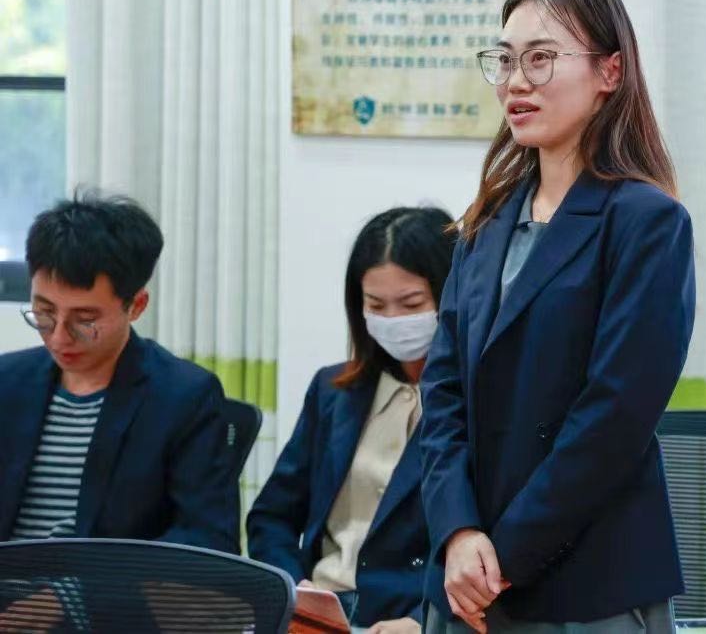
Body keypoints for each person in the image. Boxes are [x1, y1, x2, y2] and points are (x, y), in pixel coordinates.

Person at [419, 0, 696, 633]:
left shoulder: (647, 222)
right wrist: (458, 531)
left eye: (541, 58)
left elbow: (612, 418)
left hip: (585, 581)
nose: (516, 81)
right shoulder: (484, 224)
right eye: (505, 60)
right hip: (465, 576)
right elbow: (442, 392)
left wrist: (502, 557)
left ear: (609, 71)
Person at [249, 206, 456, 633]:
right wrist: (295, 590)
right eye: (376, 305)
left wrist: (424, 622)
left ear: (450, 295)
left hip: (408, 620)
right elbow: (271, 518)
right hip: (319, 611)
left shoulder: (475, 404)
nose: (393, 320)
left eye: (412, 304)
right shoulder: (333, 391)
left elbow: (489, 546)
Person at [0, 191, 239, 552]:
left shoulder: (184, 398)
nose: (59, 336)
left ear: (136, 305)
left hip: (108, 587)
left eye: (85, 319)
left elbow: (208, 539)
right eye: (44, 312)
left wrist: (81, 585)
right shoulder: (8, 382)